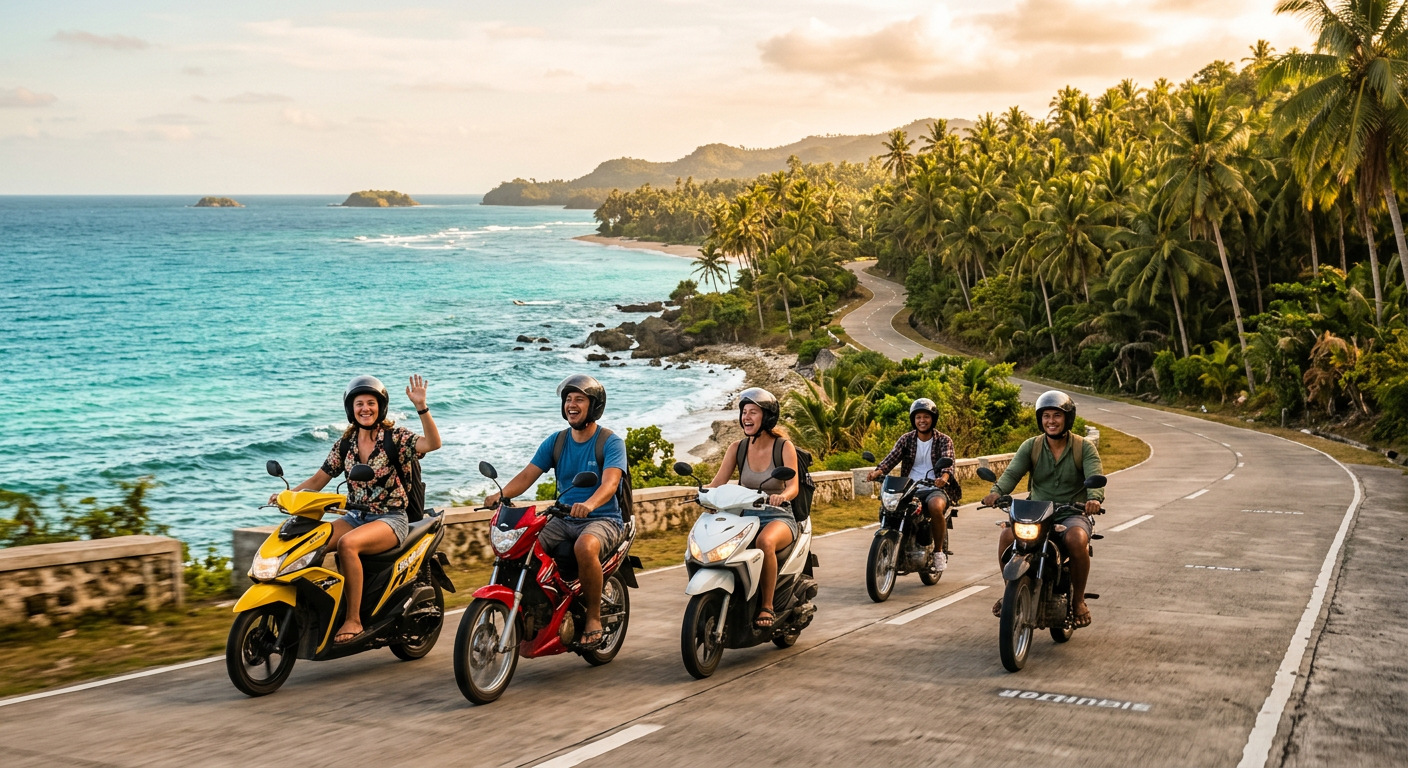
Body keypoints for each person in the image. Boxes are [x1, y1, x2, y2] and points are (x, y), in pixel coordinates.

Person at [279, 375, 442, 645]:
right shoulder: (345, 445)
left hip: (390, 519)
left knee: (347, 545)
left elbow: (432, 444)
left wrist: (421, 407)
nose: (365, 408)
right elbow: (317, 481)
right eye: (359, 404)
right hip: (355, 517)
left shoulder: (396, 439)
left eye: (371, 403)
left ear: (381, 407)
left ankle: (353, 619)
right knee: (308, 542)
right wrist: (286, 496)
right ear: (350, 409)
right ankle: (319, 608)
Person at [483, 374, 626, 649]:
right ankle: (538, 607)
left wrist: (590, 504)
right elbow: (528, 475)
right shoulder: (557, 441)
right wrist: (500, 496)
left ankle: (594, 618)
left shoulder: (610, 442)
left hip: (602, 518)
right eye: (568, 400)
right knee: (521, 546)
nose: (571, 405)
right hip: (562, 518)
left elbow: (610, 483)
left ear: (594, 406)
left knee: (585, 547)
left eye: (579, 400)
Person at [982, 390, 1104, 627]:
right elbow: (1012, 473)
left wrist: (1094, 499)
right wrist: (996, 492)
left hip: (1072, 513)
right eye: (1046, 416)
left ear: (1067, 419)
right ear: (1040, 419)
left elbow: (1095, 476)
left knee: (1077, 539)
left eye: (1056, 416)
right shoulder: (1032, 446)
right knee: (1007, 535)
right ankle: (1010, 592)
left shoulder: (1084, 448)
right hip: (1036, 512)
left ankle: (1078, 601)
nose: (1051, 421)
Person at [704, 387, 800, 629]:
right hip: (745, 516)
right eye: (744, 412)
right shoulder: (737, 448)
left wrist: (781, 497)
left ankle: (767, 605)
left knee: (765, 542)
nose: (746, 417)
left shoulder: (783, 446)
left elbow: (793, 486)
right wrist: (701, 494)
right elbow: (717, 483)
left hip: (778, 517)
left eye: (753, 412)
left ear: (766, 417)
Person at [865, 398, 957, 571]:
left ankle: (938, 553)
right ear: (913, 420)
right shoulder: (906, 439)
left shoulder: (944, 440)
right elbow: (891, 459)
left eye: (926, 417)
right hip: (909, 488)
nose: (922, 421)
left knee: (936, 506)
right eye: (918, 417)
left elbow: (948, 464)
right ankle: (892, 547)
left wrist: (943, 478)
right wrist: (877, 472)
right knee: (888, 508)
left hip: (933, 487)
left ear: (933, 419)